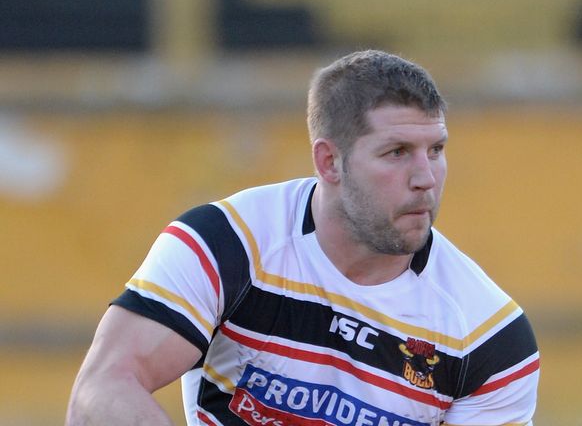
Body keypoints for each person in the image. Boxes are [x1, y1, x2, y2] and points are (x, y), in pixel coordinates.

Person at [66, 50, 540, 426]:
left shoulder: (489, 336)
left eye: (435, 150)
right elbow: (100, 390)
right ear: (329, 162)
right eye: (397, 152)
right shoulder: (228, 243)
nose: (426, 178)